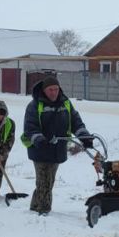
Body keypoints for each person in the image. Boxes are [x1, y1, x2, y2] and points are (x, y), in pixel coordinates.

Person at [22, 75, 93, 214]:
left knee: (48, 182)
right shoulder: (35, 105)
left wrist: (84, 136)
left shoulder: (65, 103)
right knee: (44, 182)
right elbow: (30, 127)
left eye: (56, 89)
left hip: (57, 149)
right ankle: (43, 211)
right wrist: (39, 139)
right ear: (44, 90)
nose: (54, 92)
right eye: (50, 90)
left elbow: (76, 121)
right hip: (40, 149)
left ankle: (34, 207)